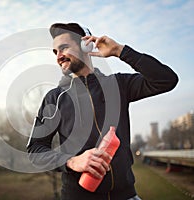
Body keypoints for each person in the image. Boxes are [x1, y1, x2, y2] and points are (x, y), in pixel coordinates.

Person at [26, 23, 178, 200]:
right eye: (55, 52)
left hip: (127, 196)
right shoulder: (54, 99)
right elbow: (35, 150)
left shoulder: (119, 85)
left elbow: (166, 80)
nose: (58, 56)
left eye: (64, 48)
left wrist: (120, 51)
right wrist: (71, 161)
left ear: (86, 45)